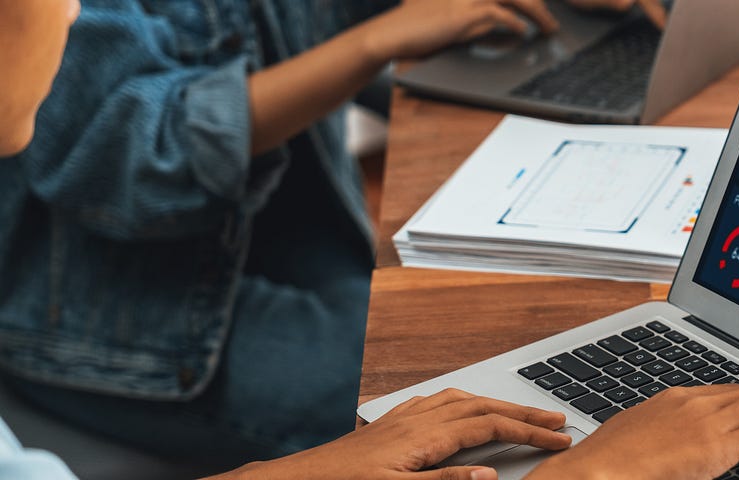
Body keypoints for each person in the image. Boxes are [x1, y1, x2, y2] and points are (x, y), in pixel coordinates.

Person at [0, 0, 642, 469]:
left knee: (498, 358)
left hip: (275, 232)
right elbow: (127, 157)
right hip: (111, 312)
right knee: (475, 397)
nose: (71, 11)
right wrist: (371, 44)